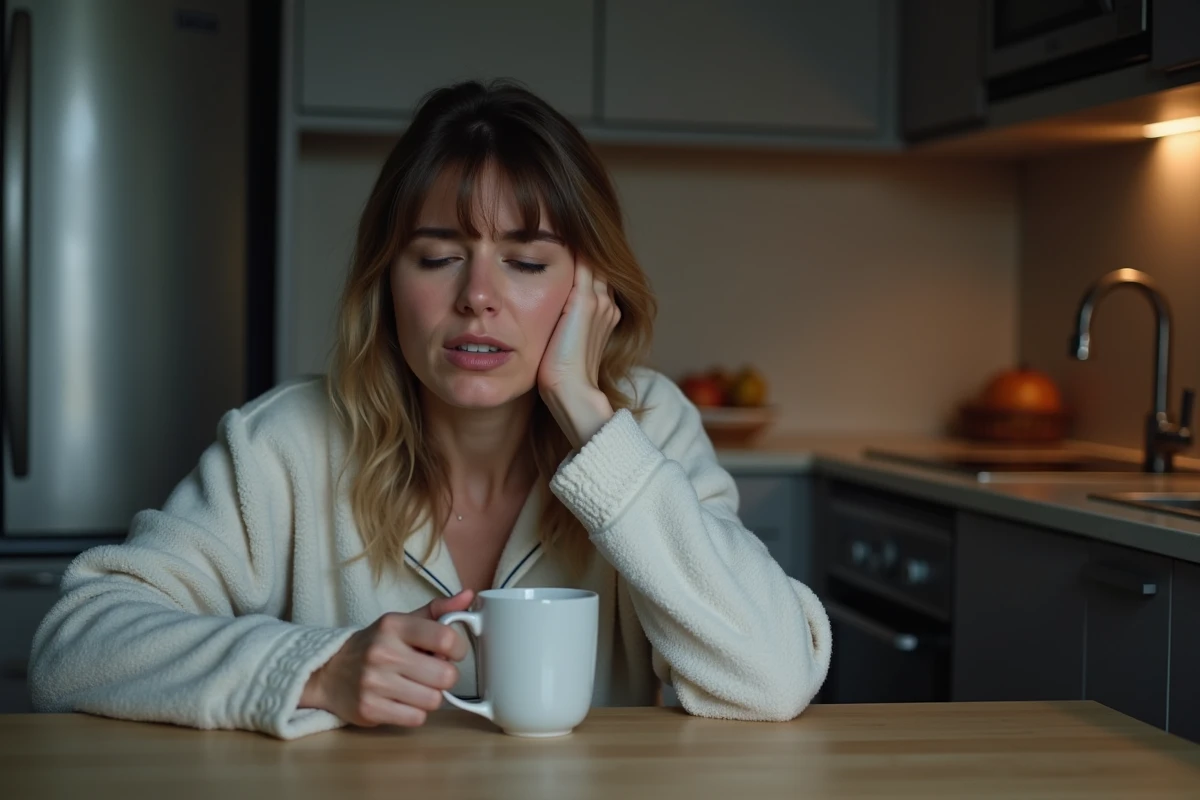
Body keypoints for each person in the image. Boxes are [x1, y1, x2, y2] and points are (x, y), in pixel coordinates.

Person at [29, 80, 831, 739]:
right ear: (388, 282)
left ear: (588, 292)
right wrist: (315, 669)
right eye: (439, 256)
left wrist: (590, 418)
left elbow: (771, 676)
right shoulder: (285, 443)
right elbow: (75, 643)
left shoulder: (643, 425)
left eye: (525, 262)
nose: (477, 298)